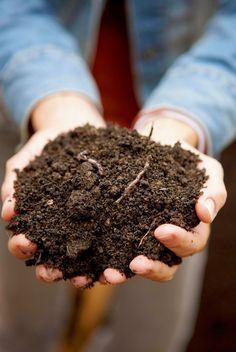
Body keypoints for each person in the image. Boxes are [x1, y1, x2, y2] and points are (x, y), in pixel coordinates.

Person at [0, 0, 234, 351]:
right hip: (34, 103)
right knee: (23, 318)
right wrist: (54, 104)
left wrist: (187, 115)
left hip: (183, 99)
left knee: (151, 328)